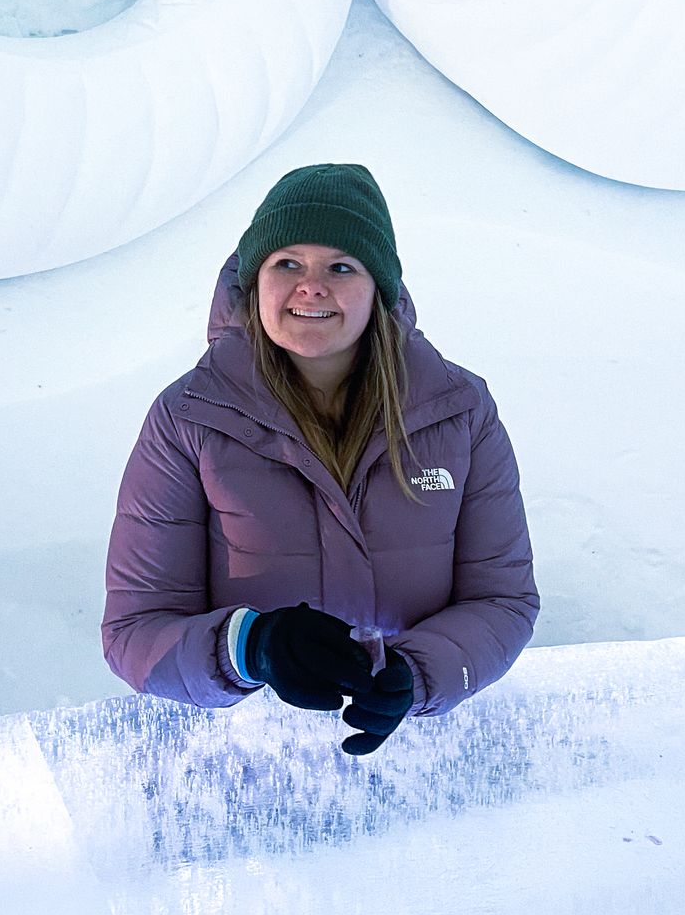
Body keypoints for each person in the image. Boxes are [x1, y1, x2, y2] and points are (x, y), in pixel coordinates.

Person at [102, 163, 538, 754]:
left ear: (378, 288)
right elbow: (135, 633)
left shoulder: (459, 412)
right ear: (254, 283)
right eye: (287, 264)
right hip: (240, 769)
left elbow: (502, 600)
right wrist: (252, 645)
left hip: (424, 754)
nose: (311, 286)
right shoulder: (188, 418)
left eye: (341, 266)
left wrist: (416, 674)